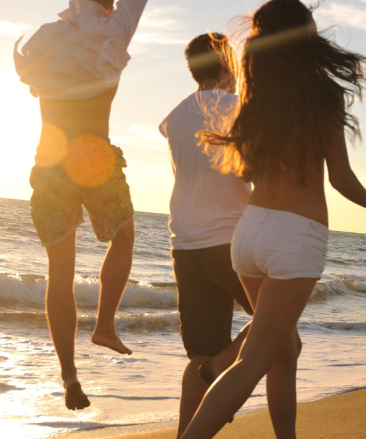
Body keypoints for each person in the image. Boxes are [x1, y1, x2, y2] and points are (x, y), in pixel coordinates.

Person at [181, 0, 366, 439]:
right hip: (295, 237)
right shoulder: (325, 95)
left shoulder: (253, 95)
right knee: (255, 360)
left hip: (249, 234)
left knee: (284, 352)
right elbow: (339, 178)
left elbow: (244, 169)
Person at [12, 0, 152, 410]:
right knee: (125, 235)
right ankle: (105, 324)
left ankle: (68, 375)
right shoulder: (115, 28)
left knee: (60, 274)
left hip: (50, 158)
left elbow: (31, 83)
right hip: (92, 154)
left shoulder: (46, 36)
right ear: (109, 5)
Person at [159, 33, 257, 437]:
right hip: (229, 241)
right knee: (279, 326)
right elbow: (251, 169)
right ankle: (220, 368)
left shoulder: (174, 117)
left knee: (199, 352)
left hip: (185, 245)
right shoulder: (238, 108)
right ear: (225, 65)